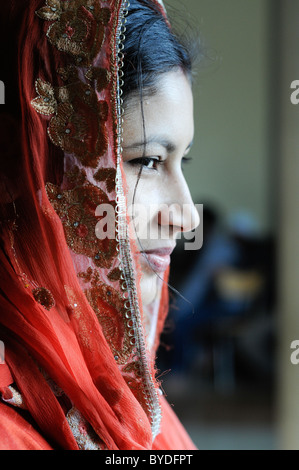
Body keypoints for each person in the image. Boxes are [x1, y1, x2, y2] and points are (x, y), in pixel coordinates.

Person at [0, 0, 199, 450]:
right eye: (147, 161)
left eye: (182, 161)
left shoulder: (125, 401)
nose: (187, 214)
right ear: (23, 163)